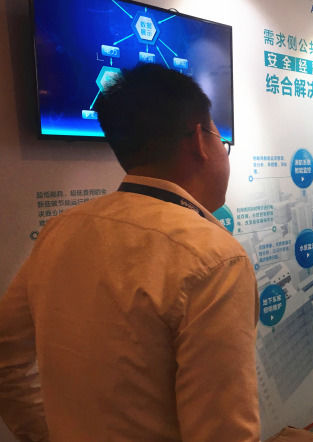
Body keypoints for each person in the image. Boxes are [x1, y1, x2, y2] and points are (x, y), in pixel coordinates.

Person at [0, 64, 260, 441]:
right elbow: (224, 433)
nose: (224, 152)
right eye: (223, 140)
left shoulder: (59, 231)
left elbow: (5, 361)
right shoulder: (215, 258)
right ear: (199, 142)